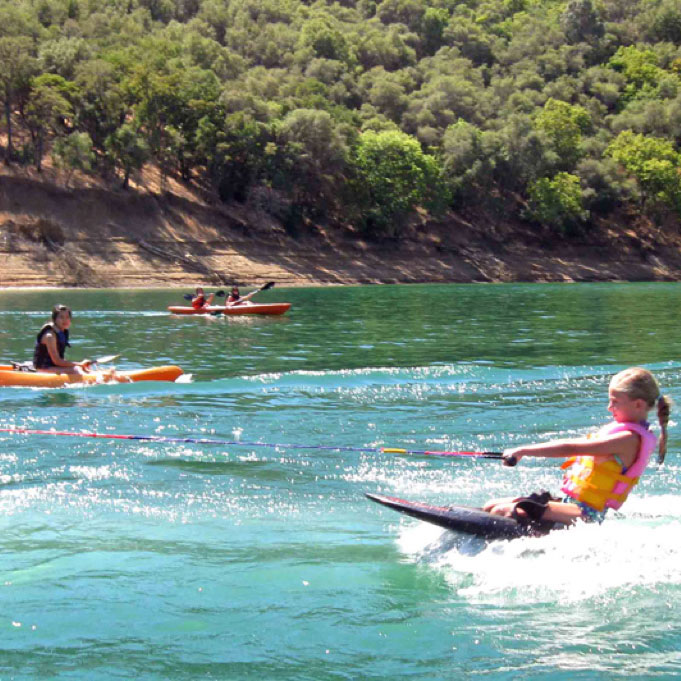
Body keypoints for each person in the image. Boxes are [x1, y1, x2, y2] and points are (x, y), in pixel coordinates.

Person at [483, 367, 671, 527]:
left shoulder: (628, 439)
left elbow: (570, 448)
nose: (609, 407)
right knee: (491, 506)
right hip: (571, 504)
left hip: (587, 514)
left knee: (501, 510)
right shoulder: (622, 433)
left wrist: (522, 451)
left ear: (638, 405)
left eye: (615, 402)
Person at [33, 305, 93, 375]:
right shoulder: (50, 336)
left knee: (80, 368)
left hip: (53, 367)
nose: (65, 320)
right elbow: (57, 361)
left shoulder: (61, 332)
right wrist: (79, 364)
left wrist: (81, 365)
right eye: (61, 317)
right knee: (76, 370)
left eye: (67, 317)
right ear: (54, 319)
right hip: (43, 368)